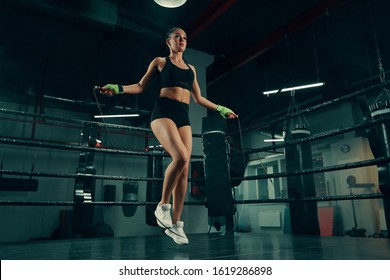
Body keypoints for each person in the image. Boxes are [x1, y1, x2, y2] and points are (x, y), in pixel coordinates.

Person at [96, 27, 237, 245]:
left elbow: (198, 98)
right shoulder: (160, 62)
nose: (182, 40)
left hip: (183, 117)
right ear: (168, 42)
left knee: (185, 166)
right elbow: (141, 86)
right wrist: (118, 88)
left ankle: (176, 225)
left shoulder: (191, 69)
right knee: (180, 156)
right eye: (177, 37)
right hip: (163, 113)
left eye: (185, 38)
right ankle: (162, 206)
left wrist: (220, 108)